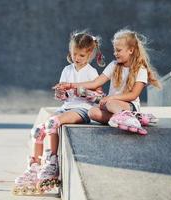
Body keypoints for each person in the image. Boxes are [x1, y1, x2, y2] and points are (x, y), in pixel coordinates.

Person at [13, 31, 105, 195]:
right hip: (66, 107)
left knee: (52, 123)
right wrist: (61, 93)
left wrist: (82, 91)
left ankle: (52, 163)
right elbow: (63, 97)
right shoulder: (67, 70)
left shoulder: (92, 72)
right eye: (74, 53)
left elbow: (98, 96)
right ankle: (34, 167)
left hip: (82, 109)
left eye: (81, 55)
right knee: (37, 131)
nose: (77, 57)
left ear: (89, 54)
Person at [56, 29, 161, 135]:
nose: (115, 53)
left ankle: (128, 117)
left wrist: (111, 98)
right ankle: (133, 119)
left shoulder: (140, 69)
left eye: (118, 50)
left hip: (129, 105)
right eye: (115, 50)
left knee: (110, 103)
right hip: (109, 105)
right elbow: (95, 83)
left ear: (131, 50)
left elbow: (133, 95)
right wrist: (70, 85)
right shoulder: (114, 65)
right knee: (92, 112)